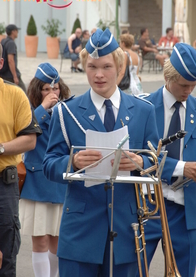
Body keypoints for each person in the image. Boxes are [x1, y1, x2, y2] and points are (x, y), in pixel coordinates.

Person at [42, 28, 161, 277]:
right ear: (83, 67)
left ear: (119, 66)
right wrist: (72, 162)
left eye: (106, 66)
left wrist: (141, 161)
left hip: (126, 232)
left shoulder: (143, 110)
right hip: (79, 234)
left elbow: (156, 160)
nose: (98, 75)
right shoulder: (66, 112)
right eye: (92, 67)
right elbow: (49, 164)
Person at [138, 43, 196, 277]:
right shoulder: (142, 106)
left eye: (194, 86)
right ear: (167, 76)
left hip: (187, 211)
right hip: (147, 206)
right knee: (134, 271)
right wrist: (181, 167)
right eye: (184, 85)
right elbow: (138, 155)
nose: (189, 91)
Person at [19, 63, 71, 277]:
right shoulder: (29, 108)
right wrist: (42, 109)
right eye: (46, 89)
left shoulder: (67, 109)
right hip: (36, 182)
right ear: (37, 90)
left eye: (56, 88)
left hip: (59, 180)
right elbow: (25, 130)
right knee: (40, 240)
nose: (52, 93)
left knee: (58, 240)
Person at [0, 43, 42, 276]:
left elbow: (29, 140)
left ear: (1, 64)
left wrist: (0, 148)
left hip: (3, 185)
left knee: (6, 256)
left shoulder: (15, 94)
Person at [0, 24, 26, 92]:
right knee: (23, 92)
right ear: (13, 32)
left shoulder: (3, 41)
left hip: (3, 73)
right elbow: (10, 60)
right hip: (10, 75)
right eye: (17, 31)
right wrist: (15, 76)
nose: (17, 32)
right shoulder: (11, 43)